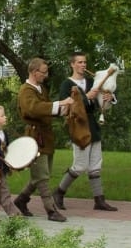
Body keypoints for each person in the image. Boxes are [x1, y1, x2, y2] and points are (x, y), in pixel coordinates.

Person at [53, 51, 118, 212]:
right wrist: (85, 97)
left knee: (96, 163)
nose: (83, 65)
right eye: (80, 62)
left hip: (92, 125)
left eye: (84, 62)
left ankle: (99, 200)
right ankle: (58, 193)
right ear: (72, 64)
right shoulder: (66, 84)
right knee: (80, 165)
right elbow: (66, 107)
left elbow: (101, 102)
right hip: (78, 125)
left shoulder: (91, 81)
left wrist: (109, 99)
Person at [12, 57, 68, 222]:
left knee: (42, 173)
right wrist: (58, 104)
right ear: (34, 72)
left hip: (45, 136)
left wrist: (61, 110)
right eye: (44, 72)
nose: (46, 75)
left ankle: (21, 200)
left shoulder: (40, 88)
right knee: (42, 176)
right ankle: (51, 210)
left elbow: (45, 109)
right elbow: (34, 109)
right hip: (35, 138)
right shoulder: (26, 91)